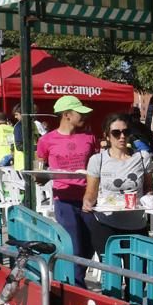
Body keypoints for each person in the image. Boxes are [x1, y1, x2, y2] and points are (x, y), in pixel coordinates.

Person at [36, 95, 100, 287]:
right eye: (79, 112)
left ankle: (75, 280)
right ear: (67, 115)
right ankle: (77, 287)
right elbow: (39, 169)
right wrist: (40, 177)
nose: (84, 116)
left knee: (90, 245)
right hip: (63, 199)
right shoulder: (47, 140)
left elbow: (96, 166)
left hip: (89, 199)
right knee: (74, 245)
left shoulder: (89, 137)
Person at [82, 112, 153, 260]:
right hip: (106, 224)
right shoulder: (98, 160)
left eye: (126, 132)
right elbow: (91, 193)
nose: (122, 136)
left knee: (136, 277)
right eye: (116, 133)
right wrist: (87, 202)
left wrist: (149, 199)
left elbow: (148, 187)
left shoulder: (142, 157)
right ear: (107, 136)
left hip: (136, 225)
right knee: (111, 275)